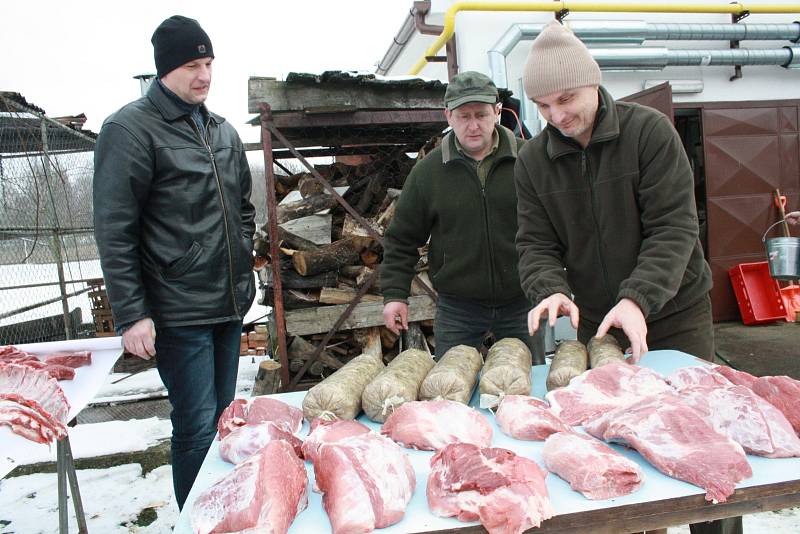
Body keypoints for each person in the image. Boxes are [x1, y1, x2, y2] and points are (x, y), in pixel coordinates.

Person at [514, 21, 740, 534]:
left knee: (701, 437)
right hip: (602, 324)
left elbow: (674, 226)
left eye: (566, 98)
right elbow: (534, 243)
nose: (557, 115)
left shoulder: (648, 132)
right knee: (625, 447)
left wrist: (639, 297)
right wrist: (549, 286)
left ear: (592, 82)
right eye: (543, 106)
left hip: (675, 313)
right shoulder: (532, 161)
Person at [93, 15, 255, 509]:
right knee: (195, 426)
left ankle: (225, 512)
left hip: (227, 304)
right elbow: (115, 228)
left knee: (224, 421)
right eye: (191, 65)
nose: (204, 74)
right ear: (165, 69)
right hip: (178, 310)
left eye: (208, 63)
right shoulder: (130, 130)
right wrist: (131, 313)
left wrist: (242, 263)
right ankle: (194, 518)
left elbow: (243, 209)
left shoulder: (222, 132)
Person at [381, 71, 545, 363]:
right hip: (459, 308)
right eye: (463, 116)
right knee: (451, 389)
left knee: (526, 384)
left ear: (496, 112)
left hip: (522, 301)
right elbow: (401, 238)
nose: (473, 125)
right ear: (448, 116)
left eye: (481, 115)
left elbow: (556, 224)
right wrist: (395, 295)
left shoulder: (529, 159)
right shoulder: (428, 172)